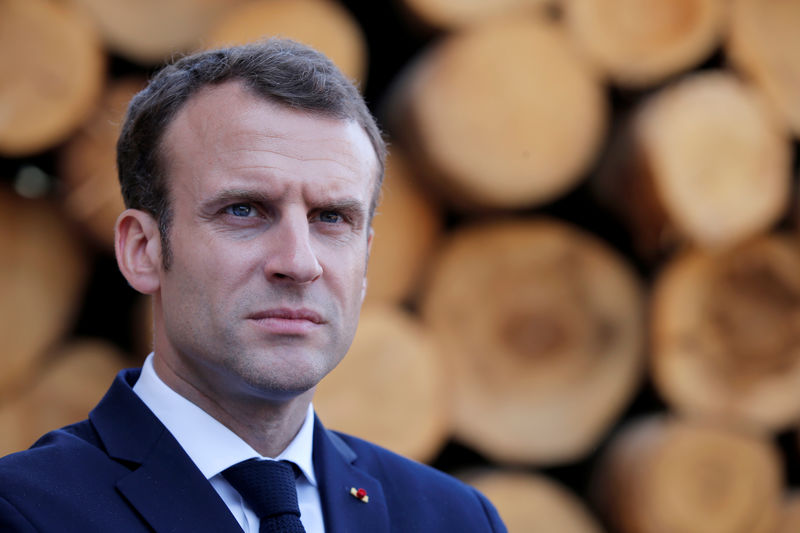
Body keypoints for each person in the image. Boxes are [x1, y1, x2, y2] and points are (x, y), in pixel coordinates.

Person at [0, 39, 506, 532]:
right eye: (243, 210)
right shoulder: (26, 511)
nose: (299, 262)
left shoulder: (455, 519)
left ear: (366, 260)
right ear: (143, 250)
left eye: (331, 218)